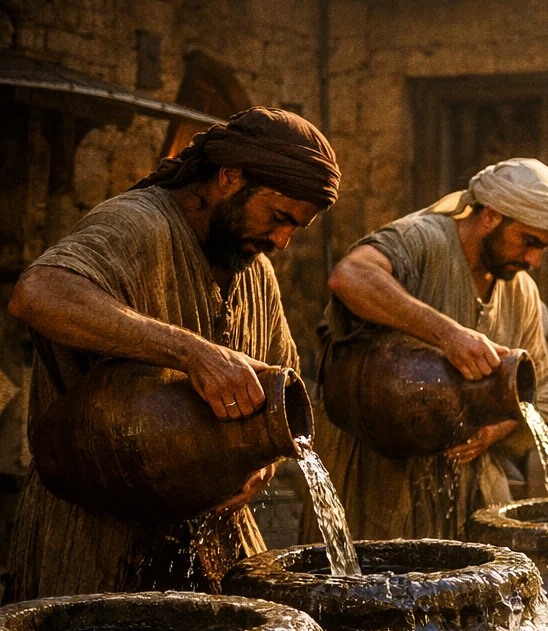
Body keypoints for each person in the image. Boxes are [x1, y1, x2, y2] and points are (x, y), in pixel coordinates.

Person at [5, 107, 338, 598]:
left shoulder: (253, 268)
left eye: (297, 230)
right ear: (229, 177)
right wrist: (193, 353)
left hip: (212, 539)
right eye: (279, 217)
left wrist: (259, 465)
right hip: (98, 538)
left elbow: (280, 391)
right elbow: (38, 293)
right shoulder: (137, 224)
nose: (282, 242)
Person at [303, 158, 548, 542]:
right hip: (377, 478)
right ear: (492, 216)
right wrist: (448, 335)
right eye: (529, 241)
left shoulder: (522, 289)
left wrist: (491, 433)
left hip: (469, 489)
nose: (534, 260)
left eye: (545, 248)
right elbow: (352, 276)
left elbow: (537, 397)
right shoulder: (422, 239)